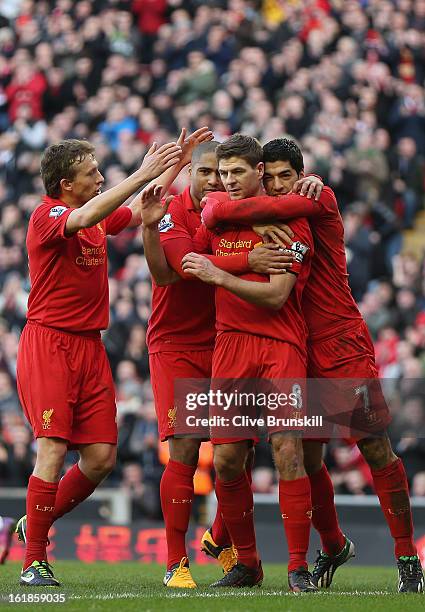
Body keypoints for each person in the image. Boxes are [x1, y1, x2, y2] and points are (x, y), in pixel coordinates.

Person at [200, 137, 425, 594]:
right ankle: (332, 545)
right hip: (297, 346)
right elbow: (216, 211)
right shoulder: (272, 209)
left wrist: (218, 212)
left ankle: (407, 557)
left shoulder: (314, 198)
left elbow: (219, 212)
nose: (283, 185)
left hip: (340, 343)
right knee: (303, 456)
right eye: (274, 176)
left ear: (302, 175)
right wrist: (219, 210)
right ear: (263, 174)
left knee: (374, 447)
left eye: (290, 176)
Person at [15, 137, 182, 587]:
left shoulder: (95, 216)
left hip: (90, 346)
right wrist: (141, 173)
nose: (101, 177)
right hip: (49, 343)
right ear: (66, 183)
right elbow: (89, 213)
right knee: (51, 447)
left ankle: (35, 522)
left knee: (102, 458)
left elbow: (144, 204)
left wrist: (173, 165)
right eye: (92, 173)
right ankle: (33, 561)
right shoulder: (47, 215)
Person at [141, 130, 296, 588]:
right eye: (206, 171)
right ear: (190, 172)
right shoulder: (171, 211)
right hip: (177, 345)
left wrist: (310, 184)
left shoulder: (236, 210)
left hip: (226, 341)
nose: (215, 180)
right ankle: (175, 562)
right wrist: (252, 257)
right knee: (186, 447)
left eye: (222, 173)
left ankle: (225, 539)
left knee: (237, 451)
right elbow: (183, 268)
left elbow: (289, 191)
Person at [181, 134, 317, 593]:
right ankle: (249, 564)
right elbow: (192, 260)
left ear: (260, 171)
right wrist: (237, 263)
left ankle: (298, 566)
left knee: (287, 450)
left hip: (281, 345)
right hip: (230, 345)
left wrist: (222, 272)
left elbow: (278, 296)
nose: (228, 181)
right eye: (223, 173)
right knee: (225, 457)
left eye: (238, 171)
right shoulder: (219, 214)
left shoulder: (290, 220)